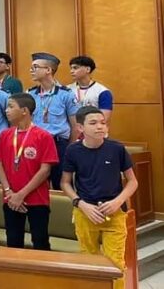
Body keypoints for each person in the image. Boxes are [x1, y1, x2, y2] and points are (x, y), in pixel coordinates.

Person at [61, 107, 137, 289]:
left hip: (114, 213)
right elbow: (65, 183)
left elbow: (133, 181)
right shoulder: (73, 150)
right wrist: (80, 204)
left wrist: (118, 201)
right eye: (93, 123)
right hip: (85, 212)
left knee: (116, 265)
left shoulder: (117, 148)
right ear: (80, 128)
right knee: (90, 263)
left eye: (103, 123)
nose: (100, 127)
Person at [0, 93, 58, 250]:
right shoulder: (5, 134)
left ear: (24, 110)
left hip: (37, 199)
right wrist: (9, 192)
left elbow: (45, 170)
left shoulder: (44, 136)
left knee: (40, 241)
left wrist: (21, 194)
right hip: (10, 198)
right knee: (13, 241)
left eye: (11, 106)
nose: (6, 110)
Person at [29, 52, 79, 190]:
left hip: (58, 144)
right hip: (36, 144)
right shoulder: (30, 94)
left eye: (35, 67)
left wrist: (68, 148)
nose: (31, 70)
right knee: (36, 184)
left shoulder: (66, 94)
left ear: (48, 70)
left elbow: (75, 126)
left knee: (61, 185)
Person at [68, 56, 113, 123]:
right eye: (71, 68)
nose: (71, 71)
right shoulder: (67, 90)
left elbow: (104, 119)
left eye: (75, 68)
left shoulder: (102, 92)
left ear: (88, 69)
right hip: (72, 127)